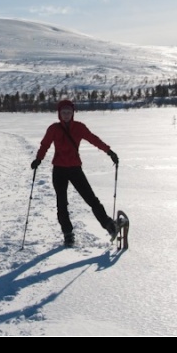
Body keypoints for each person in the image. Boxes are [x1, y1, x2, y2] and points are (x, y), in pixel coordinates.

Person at [31, 99, 120, 247]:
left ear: (73, 113)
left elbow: (93, 139)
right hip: (59, 170)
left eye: (69, 112)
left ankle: (109, 225)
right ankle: (68, 234)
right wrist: (38, 159)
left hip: (75, 169)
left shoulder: (79, 127)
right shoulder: (53, 129)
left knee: (91, 199)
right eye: (63, 112)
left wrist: (109, 151)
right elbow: (45, 145)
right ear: (59, 114)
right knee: (62, 204)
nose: (66, 114)